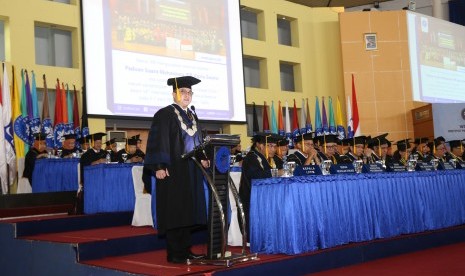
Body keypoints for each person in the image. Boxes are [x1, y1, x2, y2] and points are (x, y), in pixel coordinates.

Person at [144, 76, 209, 264]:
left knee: (187, 211)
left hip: (191, 170)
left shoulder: (192, 116)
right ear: (174, 94)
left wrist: (203, 158)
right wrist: (159, 166)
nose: (186, 95)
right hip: (173, 170)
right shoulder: (164, 114)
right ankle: (175, 253)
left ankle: (186, 250)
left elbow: (197, 142)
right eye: (182, 92)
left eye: (189, 92)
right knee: (175, 211)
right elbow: (159, 141)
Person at [238, 132, 282, 242]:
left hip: (270, 196)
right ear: (259, 145)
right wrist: (276, 172)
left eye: (275, 146)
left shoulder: (274, 159)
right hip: (253, 198)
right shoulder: (251, 158)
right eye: (270, 146)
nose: (273, 149)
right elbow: (256, 176)